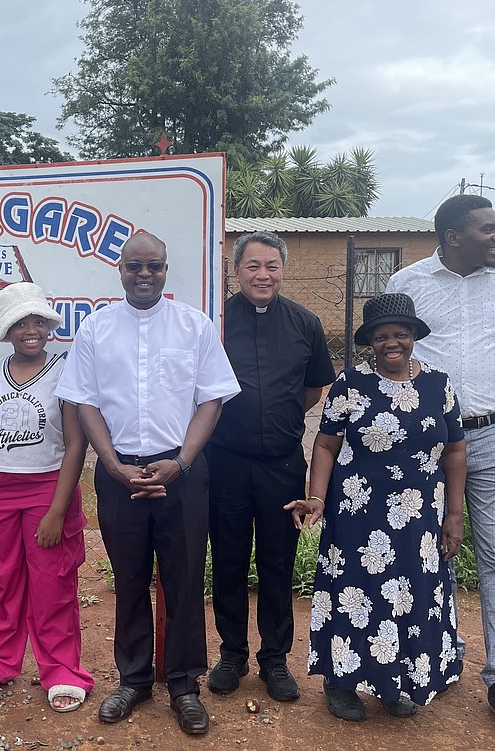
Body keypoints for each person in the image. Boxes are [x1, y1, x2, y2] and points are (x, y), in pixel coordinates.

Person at [56, 231, 240, 736]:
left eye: (154, 267)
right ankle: (133, 679)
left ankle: (183, 685)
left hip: (181, 474)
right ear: (120, 269)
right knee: (130, 580)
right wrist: (112, 464)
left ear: (165, 269)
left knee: (182, 580)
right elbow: (84, 401)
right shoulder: (96, 329)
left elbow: (212, 401)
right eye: (135, 266)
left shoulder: (193, 326)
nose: (144, 275)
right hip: (119, 475)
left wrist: (180, 462)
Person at [387, 194, 495, 743]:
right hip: (429, 440)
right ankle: (437, 655)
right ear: (453, 235)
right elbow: (392, 356)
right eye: (488, 229)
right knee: (429, 554)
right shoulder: (410, 282)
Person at [287, 293, 466, 720]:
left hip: (421, 518)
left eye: (400, 335)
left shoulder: (439, 384)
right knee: (357, 595)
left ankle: (392, 681)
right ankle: (341, 681)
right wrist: (317, 496)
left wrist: (454, 516)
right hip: (358, 514)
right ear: (370, 340)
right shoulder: (352, 384)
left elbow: (455, 452)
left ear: (413, 337)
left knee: (410, 597)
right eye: (381, 336)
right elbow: (326, 445)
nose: (392, 343)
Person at [206, 231, 335, 701]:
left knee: (278, 562)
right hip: (226, 463)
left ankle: (275, 660)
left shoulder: (306, 323)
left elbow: (312, 391)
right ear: (236, 271)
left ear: (283, 270)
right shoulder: (214, 323)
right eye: (253, 266)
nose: (263, 275)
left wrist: (272, 416)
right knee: (228, 559)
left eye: (272, 266)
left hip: (282, 464)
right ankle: (232, 654)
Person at [0, 282, 94, 713]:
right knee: (4, 580)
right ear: (7, 331)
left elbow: (76, 444)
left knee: (52, 581)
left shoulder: (63, 369)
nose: (30, 329)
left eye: (38, 321)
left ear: (50, 327)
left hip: (48, 489)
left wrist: (58, 510)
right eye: (20, 323)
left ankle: (61, 668)